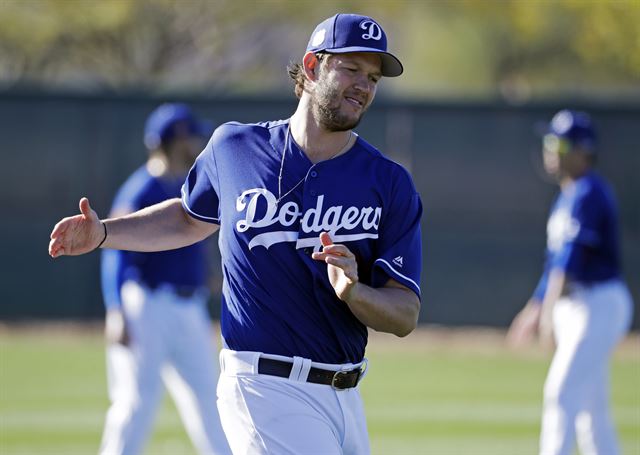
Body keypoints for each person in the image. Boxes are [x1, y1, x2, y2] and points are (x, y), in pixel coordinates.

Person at [49, 13, 422, 454]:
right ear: (311, 66)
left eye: (374, 77)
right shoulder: (234, 148)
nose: (364, 85)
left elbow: (404, 313)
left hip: (346, 395)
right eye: (352, 69)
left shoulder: (389, 181)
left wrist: (356, 293)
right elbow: (189, 218)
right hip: (264, 386)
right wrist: (105, 233)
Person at [98, 103, 230, 455]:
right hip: (147, 305)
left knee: (210, 397)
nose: (197, 143)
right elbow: (115, 254)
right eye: (192, 136)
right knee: (136, 400)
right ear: (176, 139)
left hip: (189, 307)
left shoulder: (185, 184)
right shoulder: (140, 189)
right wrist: (116, 309)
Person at [507, 110, 633, 455]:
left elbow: (570, 261)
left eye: (559, 143)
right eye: (549, 141)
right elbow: (554, 264)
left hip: (598, 303)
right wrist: (536, 307)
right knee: (592, 409)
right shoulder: (568, 194)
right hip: (575, 304)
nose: (551, 150)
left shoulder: (589, 192)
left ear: (582, 150)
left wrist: (546, 312)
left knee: (561, 392)